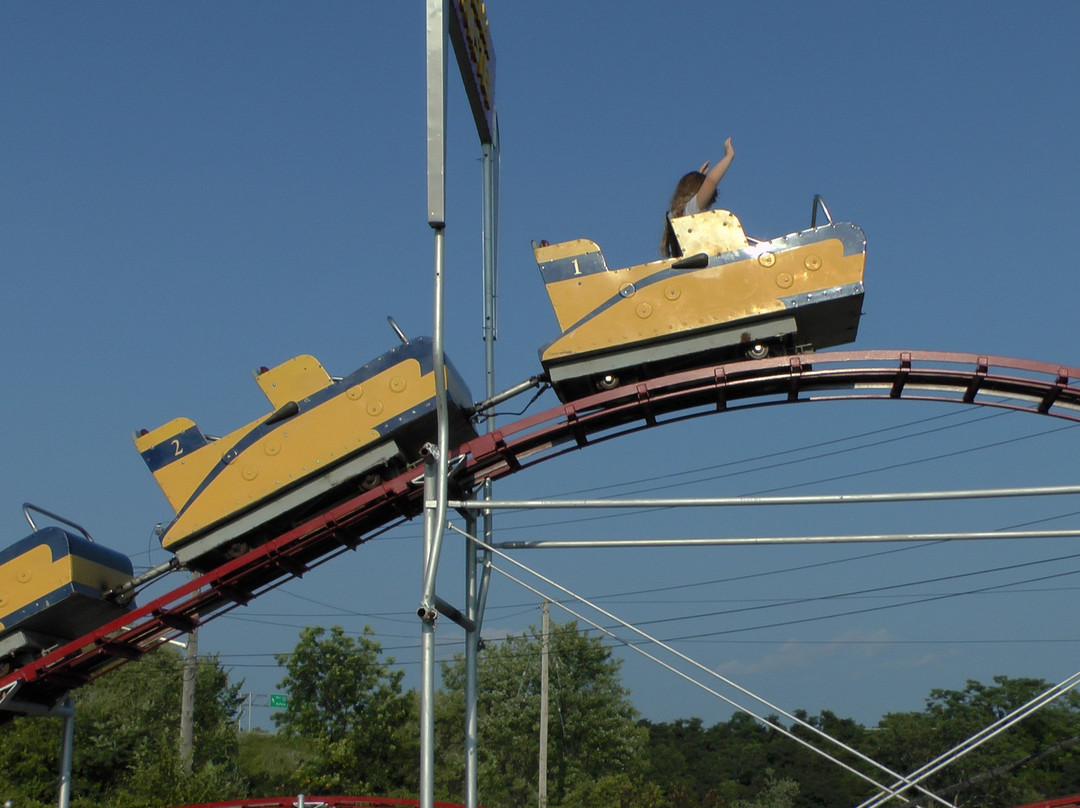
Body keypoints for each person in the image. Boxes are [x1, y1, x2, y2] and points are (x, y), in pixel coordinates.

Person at [660, 137, 735, 257]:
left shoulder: (679, 214)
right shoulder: (692, 211)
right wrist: (728, 156)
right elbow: (711, 181)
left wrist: (700, 177)